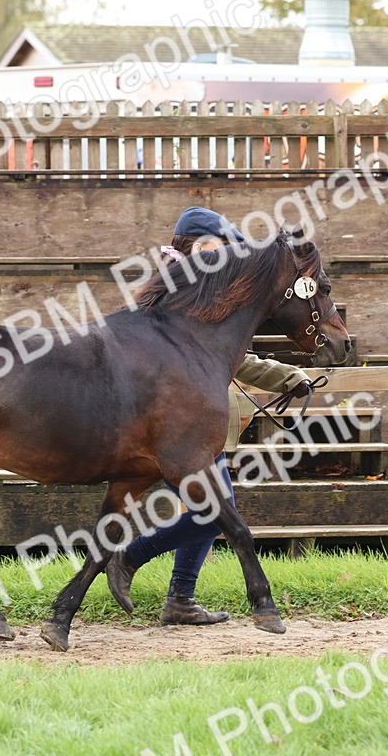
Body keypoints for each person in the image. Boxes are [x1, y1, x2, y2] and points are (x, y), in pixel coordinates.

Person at [105, 206, 312, 625]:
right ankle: (131, 557)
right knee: (215, 514)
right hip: (178, 425)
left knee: (212, 512)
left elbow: (229, 358)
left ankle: (180, 598)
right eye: (221, 247)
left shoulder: (199, 287)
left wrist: (286, 377)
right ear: (200, 246)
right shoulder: (181, 291)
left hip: (196, 422)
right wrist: (285, 375)